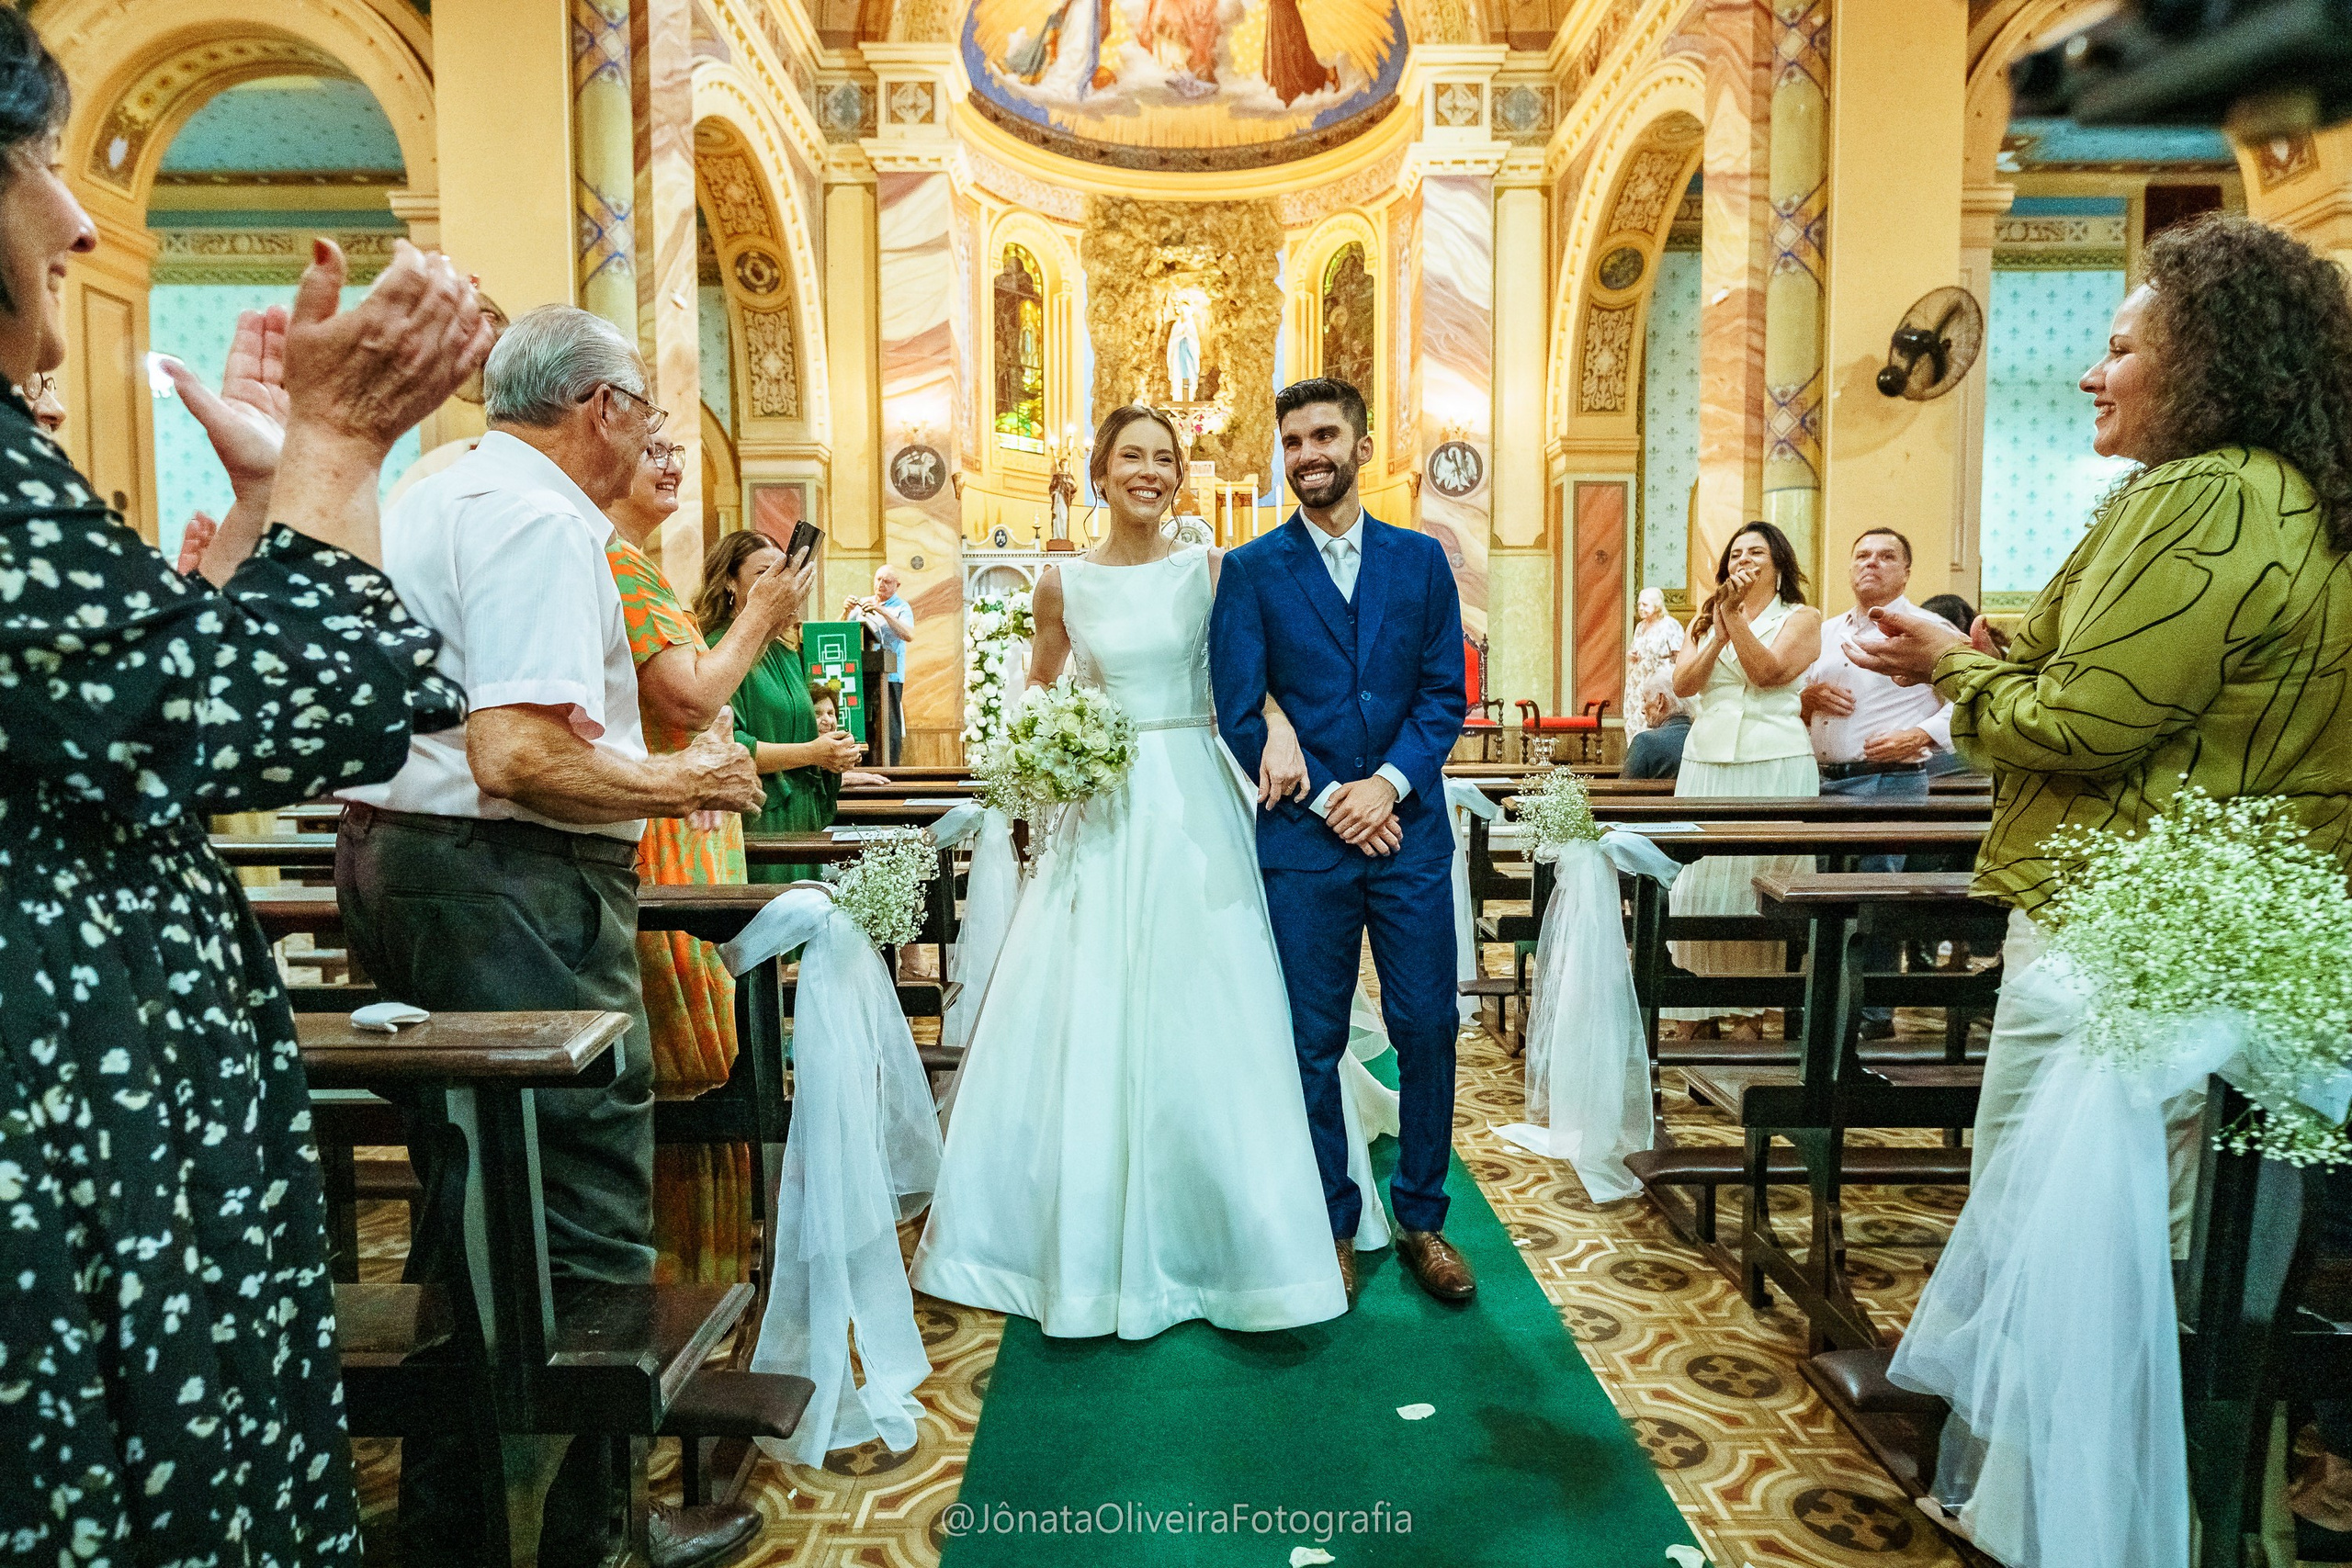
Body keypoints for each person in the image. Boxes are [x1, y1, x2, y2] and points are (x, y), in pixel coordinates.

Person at [0, 9, 493, 1556]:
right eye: (27, 160)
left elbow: (130, 709)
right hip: (61, 1135)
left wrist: (262, 495)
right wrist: (334, 453)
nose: (79, 213)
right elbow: (283, 710)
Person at [1857, 211, 2352, 1567]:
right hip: (2242, 932)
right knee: (2169, 1255)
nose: (2092, 371)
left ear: (2209, 361)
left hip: (2114, 929)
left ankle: (2058, 1519)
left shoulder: (2205, 493)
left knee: (2063, 1236)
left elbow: (2077, 723)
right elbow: (2207, 695)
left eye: (2121, 345)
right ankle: (2140, 1508)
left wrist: (1950, 664)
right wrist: (2015, 648)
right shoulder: (2312, 497)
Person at [334, 306, 767, 1568]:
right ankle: (597, 1530)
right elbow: (519, 753)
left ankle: (452, 1520)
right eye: (640, 403)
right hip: (508, 880)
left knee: (466, 1205)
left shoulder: (435, 487)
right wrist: (687, 783)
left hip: (409, 863)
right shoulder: (537, 518)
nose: (645, 429)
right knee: (581, 1210)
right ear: (598, 406)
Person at [912, 400, 1394, 1337]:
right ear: (1098, 472)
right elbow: (1042, 684)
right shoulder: (1059, 584)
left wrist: (1283, 731)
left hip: (1195, 792)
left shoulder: (1211, 570)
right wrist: (1050, 741)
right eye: (1130, 456)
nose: (1149, 471)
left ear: (1180, 475)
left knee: (1216, 988)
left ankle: (1242, 1220)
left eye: (1163, 459)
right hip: (1103, 803)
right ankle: (1074, 1229)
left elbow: (1254, 679)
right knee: (1090, 997)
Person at [1213, 376, 1477, 1304]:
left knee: (1426, 1025)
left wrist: (1387, 786)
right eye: (1291, 441)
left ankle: (1423, 1214)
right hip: (1306, 841)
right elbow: (1238, 709)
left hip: (1406, 833)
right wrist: (1334, 799)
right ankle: (1329, 1219)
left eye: (1323, 435)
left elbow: (1445, 692)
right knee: (1309, 1037)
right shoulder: (1249, 571)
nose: (1307, 454)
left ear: (1360, 446)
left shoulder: (1420, 560)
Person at [605, 437, 805, 1286]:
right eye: (645, 443)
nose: (671, 457)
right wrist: (761, 613)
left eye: (672, 443)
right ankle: (676, 1287)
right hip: (665, 842)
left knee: (713, 1057)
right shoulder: (612, 564)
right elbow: (689, 699)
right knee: (684, 1067)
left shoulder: (639, 568)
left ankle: (713, 1275)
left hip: (698, 835)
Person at [1665, 520, 1824, 1041]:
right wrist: (1717, 627)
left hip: (1773, 759)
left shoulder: (1802, 618)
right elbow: (1685, 683)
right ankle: (1693, 1009)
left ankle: (1751, 1013)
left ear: (1778, 566)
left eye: (1756, 553)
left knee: (1755, 887)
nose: (1743, 562)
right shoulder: (1704, 620)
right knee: (1697, 887)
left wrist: (1736, 621)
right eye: (1735, 555)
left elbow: (1769, 673)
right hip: (1707, 759)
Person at [1798, 527, 1954, 1037]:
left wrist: (1920, 735)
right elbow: (1794, 701)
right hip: (1825, 782)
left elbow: (1970, 702)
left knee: (1877, 899)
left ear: (1906, 571)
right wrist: (1808, 700)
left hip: (1891, 780)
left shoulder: (1930, 629)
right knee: (1821, 898)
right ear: (1849, 567)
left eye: (1887, 557)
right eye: (1862, 555)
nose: (1872, 564)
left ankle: (1872, 1013)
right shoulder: (1824, 633)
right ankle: (1822, 1008)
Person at [707, 531, 882, 885]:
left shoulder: (785, 652)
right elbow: (729, 747)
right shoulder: (718, 648)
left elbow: (802, 727)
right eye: (762, 574)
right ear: (729, 582)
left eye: (782, 572)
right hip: (758, 815)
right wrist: (813, 753)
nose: (778, 583)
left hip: (799, 813)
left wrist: (834, 758)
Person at [846, 563, 913, 763]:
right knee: (864, 722)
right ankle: (863, 765)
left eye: (887, 581)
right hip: (862, 673)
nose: (881, 585)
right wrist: (845, 611)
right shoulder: (864, 604)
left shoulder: (902, 607)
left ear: (897, 585)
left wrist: (882, 612)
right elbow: (843, 631)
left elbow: (909, 634)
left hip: (890, 676)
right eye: (878, 579)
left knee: (887, 724)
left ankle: (888, 767)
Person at [1624, 585, 1687, 737]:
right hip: (1637, 685)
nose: (1640, 608)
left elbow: (1680, 655)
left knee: (1654, 725)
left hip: (1659, 685)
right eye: (1639, 604)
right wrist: (1632, 655)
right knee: (1635, 723)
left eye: (1645, 604)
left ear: (1657, 604)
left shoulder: (1670, 625)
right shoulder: (1640, 626)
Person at [1621, 671, 1690, 780]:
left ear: (1660, 701)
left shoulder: (1644, 742)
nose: (1642, 710)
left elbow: (1623, 793)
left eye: (1645, 700)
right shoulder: (1704, 739)